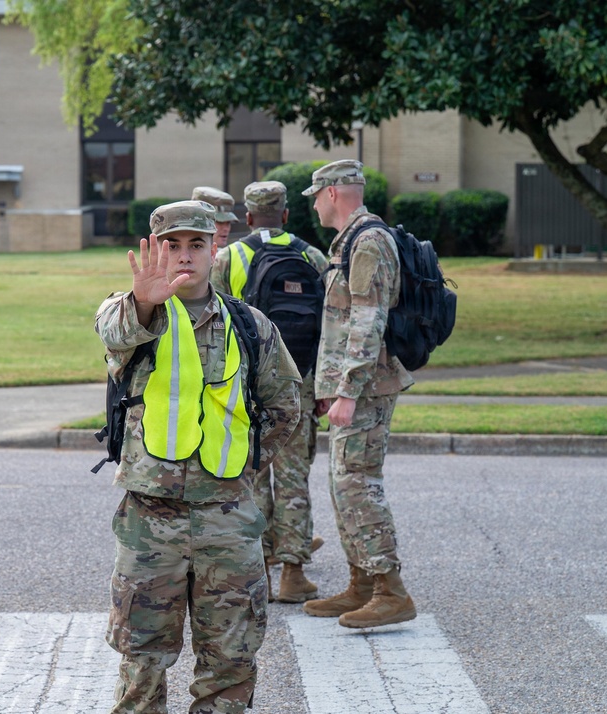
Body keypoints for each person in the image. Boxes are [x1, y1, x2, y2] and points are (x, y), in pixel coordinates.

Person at [96, 199, 301, 713]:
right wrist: (143, 303)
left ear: (217, 248)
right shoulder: (133, 313)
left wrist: (246, 467)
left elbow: (285, 406)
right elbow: (114, 334)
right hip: (150, 520)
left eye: (196, 244)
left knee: (231, 660)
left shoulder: (251, 325)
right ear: (156, 250)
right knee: (141, 658)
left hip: (228, 519)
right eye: (172, 245)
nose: (184, 256)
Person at [299, 160, 418, 629]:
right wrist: (331, 387)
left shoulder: (368, 241)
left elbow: (369, 322)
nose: (312, 202)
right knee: (342, 484)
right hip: (351, 386)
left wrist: (347, 390)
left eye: (316, 194)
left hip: (367, 388)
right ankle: (362, 584)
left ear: (332, 193)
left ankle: (391, 590)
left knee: (358, 485)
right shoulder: (349, 241)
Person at [210, 180, 328, 604]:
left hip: (249, 386)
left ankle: (257, 564)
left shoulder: (229, 257)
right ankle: (294, 574)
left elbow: (216, 322)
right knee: (294, 478)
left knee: (252, 476)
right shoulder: (310, 255)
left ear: (246, 217)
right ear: (284, 215)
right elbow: (328, 323)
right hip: (300, 384)